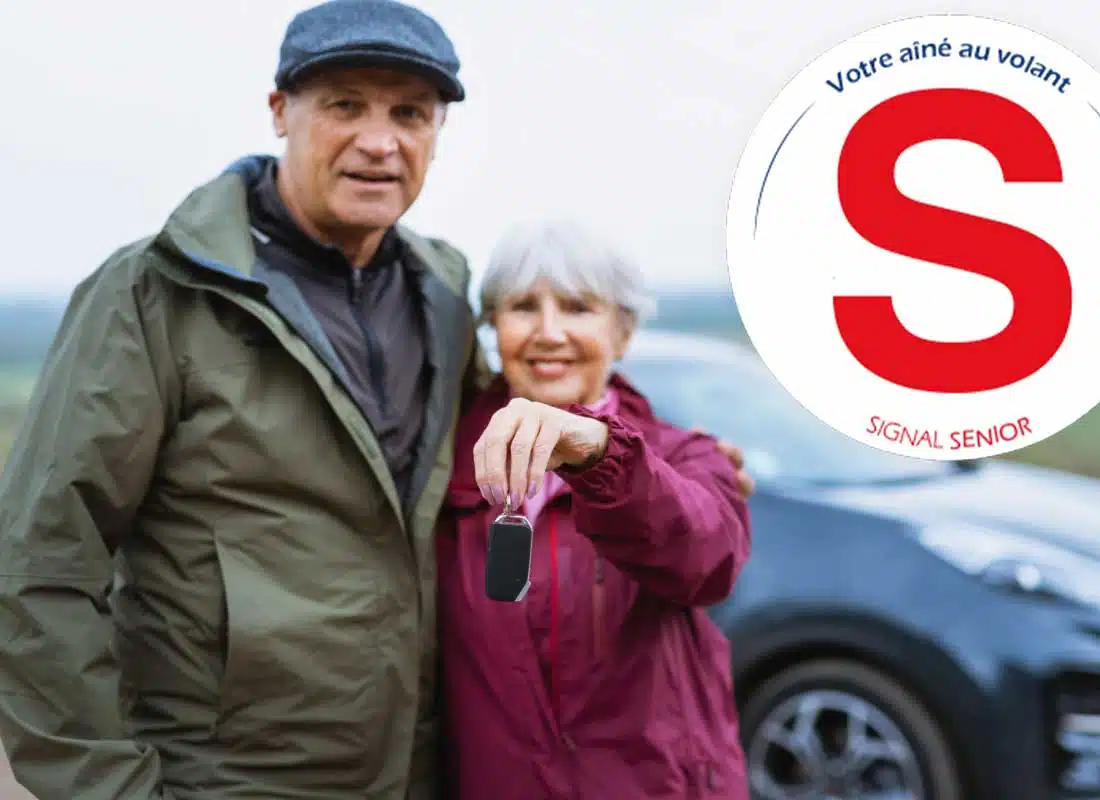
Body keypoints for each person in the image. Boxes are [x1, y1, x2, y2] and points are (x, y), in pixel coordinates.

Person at [0, 2, 753, 798]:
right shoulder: (154, 294)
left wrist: (665, 459)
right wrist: (107, 789)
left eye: (409, 113)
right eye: (345, 105)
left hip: (419, 775)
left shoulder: (442, 292)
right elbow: (43, 561)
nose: (379, 141)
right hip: (229, 781)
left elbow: (542, 412)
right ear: (278, 112)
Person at [436, 219, 752, 799]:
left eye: (578, 307)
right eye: (523, 307)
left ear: (623, 333)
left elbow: (709, 558)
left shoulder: (683, 458)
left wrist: (599, 454)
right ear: (494, 328)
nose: (548, 332)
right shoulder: (443, 475)